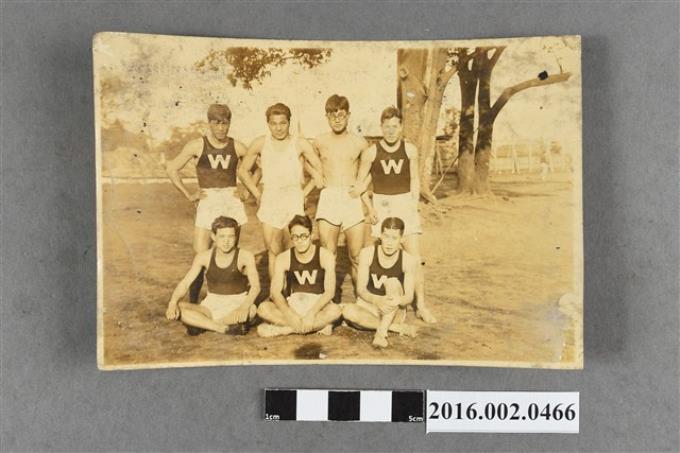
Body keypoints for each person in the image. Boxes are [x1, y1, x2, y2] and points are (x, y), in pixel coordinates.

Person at [356, 106, 437, 323]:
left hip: (404, 203)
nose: (391, 131)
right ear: (381, 127)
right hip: (381, 205)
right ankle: (370, 301)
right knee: (376, 255)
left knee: (415, 258)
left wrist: (414, 203)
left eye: (395, 126)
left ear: (401, 127)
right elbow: (359, 185)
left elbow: (414, 179)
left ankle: (421, 306)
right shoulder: (371, 152)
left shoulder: (410, 150)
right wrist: (370, 208)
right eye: (387, 127)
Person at [165, 104, 249, 313]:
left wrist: (247, 190)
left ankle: (234, 301)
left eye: (225, 123)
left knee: (230, 253)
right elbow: (172, 168)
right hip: (208, 200)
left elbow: (257, 167)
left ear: (229, 123)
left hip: (230, 200)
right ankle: (194, 303)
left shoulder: (238, 146)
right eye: (216, 123)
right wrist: (188, 194)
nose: (221, 128)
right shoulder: (197, 145)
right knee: (200, 255)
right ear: (209, 123)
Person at [238, 103, 323, 280]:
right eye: (274, 123)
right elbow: (243, 171)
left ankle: (292, 292)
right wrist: (257, 194)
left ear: (289, 122)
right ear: (268, 124)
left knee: (293, 250)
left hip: (293, 198)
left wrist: (304, 193)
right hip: (270, 199)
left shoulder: (300, 143)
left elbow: (320, 171)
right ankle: (276, 292)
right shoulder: (260, 143)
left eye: (283, 123)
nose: (278, 128)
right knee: (273, 251)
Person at [313, 94, 372, 288]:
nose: (337, 120)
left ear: (348, 115)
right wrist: (315, 175)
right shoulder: (319, 141)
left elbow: (372, 169)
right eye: (332, 116)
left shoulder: (359, 142)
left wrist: (362, 185)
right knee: (328, 254)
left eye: (341, 115)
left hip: (351, 197)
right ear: (326, 117)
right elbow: (306, 161)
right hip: (329, 196)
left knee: (356, 255)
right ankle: (329, 298)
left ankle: (362, 297)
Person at [165, 216, 260, 335]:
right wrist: (172, 302)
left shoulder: (245, 256)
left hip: (237, 302)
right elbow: (185, 283)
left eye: (230, 236)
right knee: (179, 306)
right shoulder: (203, 257)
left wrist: (244, 307)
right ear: (213, 236)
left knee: (252, 310)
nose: (226, 241)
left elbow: (256, 287)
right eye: (222, 236)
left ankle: (201, 323)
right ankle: (221, 327)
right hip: (211, 304)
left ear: (236, 237)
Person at [256, 215, 341, 337]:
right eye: (295, 237)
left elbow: (330, 292)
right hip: (294, 305)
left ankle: (286, 330)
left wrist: (311, 313)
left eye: (303, 236)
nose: (299, 241)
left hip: (317, 307)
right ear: (291, 237)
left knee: (335, 311)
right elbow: (275, 292)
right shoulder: (283, 258)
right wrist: (290, 314)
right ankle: (317, 326)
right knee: (263, 308)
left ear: (311, 235)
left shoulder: (325, 255)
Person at [342, 217, 419, 348]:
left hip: (393, 310)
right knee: (348, 311)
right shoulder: (367, 253)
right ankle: (394, 327)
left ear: (401, 239)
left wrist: (395, 301)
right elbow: (360, 289)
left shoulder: (408, 260)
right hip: (371, 305)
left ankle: (381, 333)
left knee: (392, 282)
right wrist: (377, 300)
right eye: (386, 236)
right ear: (380, 236)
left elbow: (409, 297)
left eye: (394, 238)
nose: (389, 243)